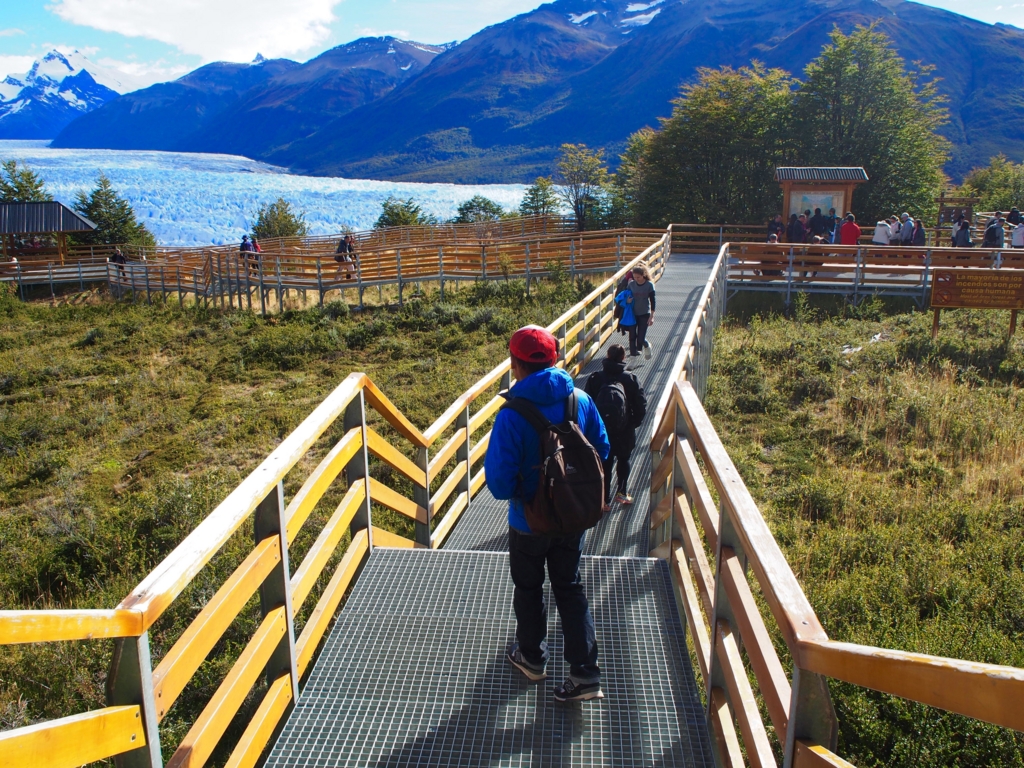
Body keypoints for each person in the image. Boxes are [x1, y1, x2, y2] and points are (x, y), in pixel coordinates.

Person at [485, 325, 609, 702]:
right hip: (573, 518)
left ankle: (532, 658)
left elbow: (499, 484)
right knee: (569, 587)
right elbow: (601, 451)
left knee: (529, 588)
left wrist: (530, 492)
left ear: (515, 364)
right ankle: (585, 674)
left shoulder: (511, 415)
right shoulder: (580, 400)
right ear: (554, 359)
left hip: (528, 523)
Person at [585, 344, 647, 509]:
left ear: (607, 356)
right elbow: (641, 405)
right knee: (624, 459)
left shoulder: (595, 378)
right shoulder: (631, 379)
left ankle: (604, 500)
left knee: (605, 462)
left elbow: (587, 405)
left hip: (601, 429)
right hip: (624, 429)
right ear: (623, 358)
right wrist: (633, 423)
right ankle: (622, 493)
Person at [626, 262, 656, 359]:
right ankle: (633, 357)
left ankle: (647, 345)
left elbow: (653, 301)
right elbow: (625, 296)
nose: (636, 279)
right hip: (632, 314)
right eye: (634, 277)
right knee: (632, 337)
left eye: (638, 277)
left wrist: (652, 316)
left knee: (640, 338)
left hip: (644, 313)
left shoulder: (649, 285)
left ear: (644, 275)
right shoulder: (631, 284)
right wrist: (627, 300)